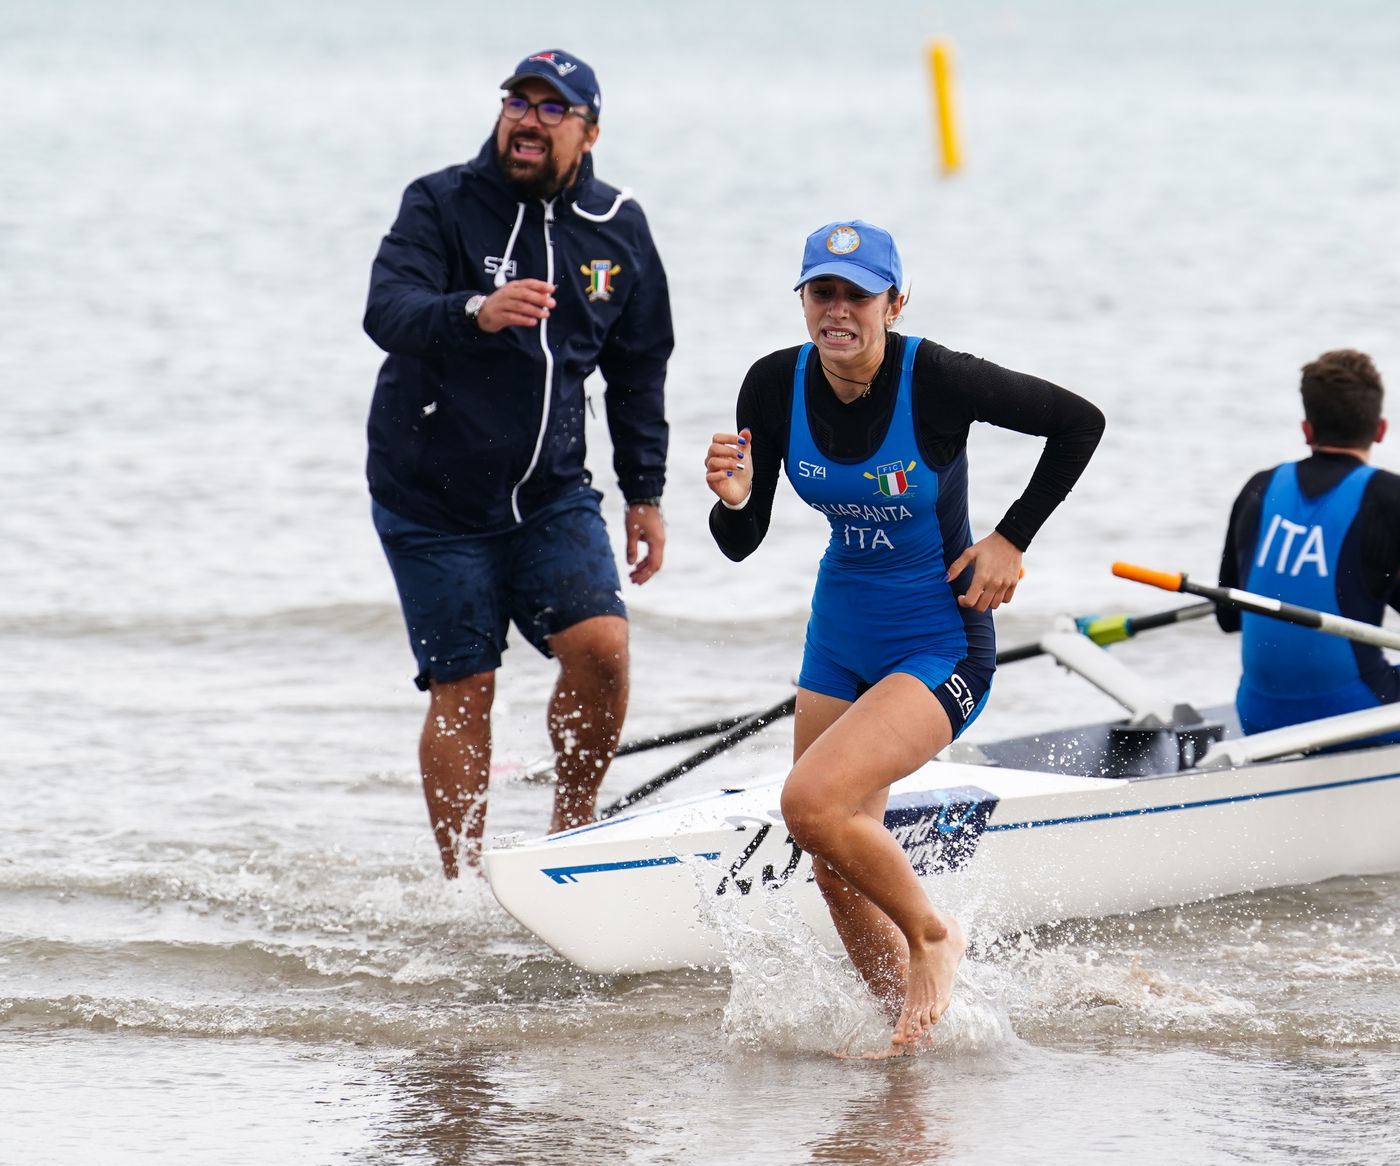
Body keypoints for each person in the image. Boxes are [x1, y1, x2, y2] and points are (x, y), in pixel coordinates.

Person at [704, 220, 1104, 1050]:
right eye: (823, 292)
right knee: (829, 853)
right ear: (803, 299)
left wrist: (1010, 538)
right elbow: (742, 539)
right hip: (840, 629)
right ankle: (914, 1033)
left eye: (857, 294)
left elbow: (1080, 422)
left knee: (808, 803)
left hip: (940, 639)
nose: (838, 310)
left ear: (895, 300)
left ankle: (931, 933)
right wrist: (734, 499)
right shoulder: (774, 385)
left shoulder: (940, 380)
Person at [363, 50, 674, 878]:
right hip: (430, 496)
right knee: (465, 689)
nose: (528, 119)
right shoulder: (440, 203)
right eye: (518, 102)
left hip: (549, 491)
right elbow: (386, 310)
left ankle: (568, 836)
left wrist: (644, 491)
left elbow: (639, 366)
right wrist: (475, 310)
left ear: (589, 130)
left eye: (551, 108)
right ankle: (462, 880)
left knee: (602, 645)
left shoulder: (617, 226)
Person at [1217, 349, 1400, 745]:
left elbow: (1227, 616)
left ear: (1307, 430)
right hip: (1353, 710)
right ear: (1381, 429)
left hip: (1258, 713)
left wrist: (1365, 576)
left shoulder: (1258, 487)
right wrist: (1384, 578)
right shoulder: (1399, 497)